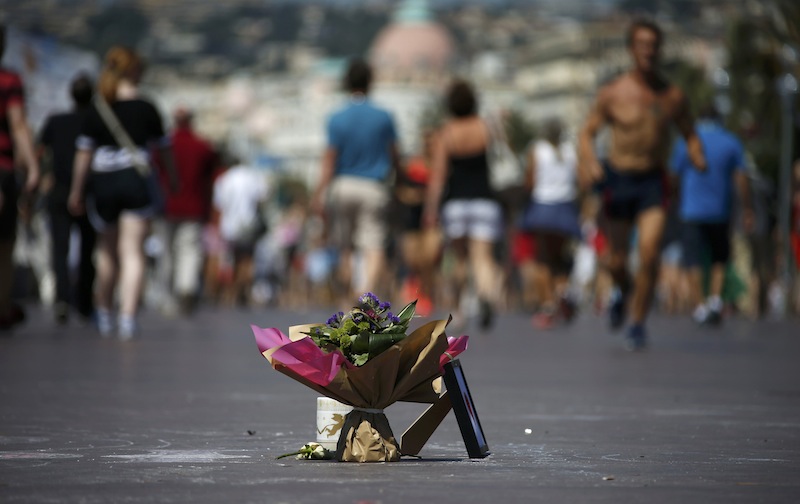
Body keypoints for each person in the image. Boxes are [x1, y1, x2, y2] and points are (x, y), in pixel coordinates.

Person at [578, 19, 706, 350]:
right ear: (632, 49)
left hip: (652, 180)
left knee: (649, 254)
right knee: (615, 262)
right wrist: (590, 161)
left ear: (660, 49)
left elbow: (689, 133)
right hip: (618, 180)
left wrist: (696, 153)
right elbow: (587, 133)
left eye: (654, 45)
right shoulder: (613, 93)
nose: (648, 51)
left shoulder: (672, 96)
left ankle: (637, 324)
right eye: (642, 44)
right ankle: (622, 292)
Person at [68, 46, 176, 340]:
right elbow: (164, 150)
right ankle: (127, 317)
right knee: (133, 252)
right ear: (133, 71)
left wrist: (76, 190)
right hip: (135, 180)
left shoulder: (98, 107)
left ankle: (103, 311)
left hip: (103, 183)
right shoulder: (147, 107)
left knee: (106, 252)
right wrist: (172, 180)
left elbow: (83, 154)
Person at [310, 58, 399, 301]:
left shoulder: (336, 118)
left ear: (346, 82)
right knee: (374, 245)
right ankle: (365, 292)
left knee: (345, 246)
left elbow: (329, 159)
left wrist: (318, 194)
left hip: (343, 185)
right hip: (374, 186)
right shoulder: (384, 117)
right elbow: (394, 154)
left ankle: (348, 293)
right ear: (371, 82)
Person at [423, 79, 503, 330]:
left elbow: (438, 175)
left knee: (459, 259)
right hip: (484, 199)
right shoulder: (485, 127)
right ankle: (487, 297)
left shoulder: (446, 133)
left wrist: (431, 208)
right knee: (483, 257)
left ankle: (458, 308)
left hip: (456, 202)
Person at [670, 104, 752, 325]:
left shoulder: (686, 141)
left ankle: (700, 306)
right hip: (720, 209)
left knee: (692, 258)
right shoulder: (731, 141)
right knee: (720, 256)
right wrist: (746, 207)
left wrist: (675, 200)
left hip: (691, 210)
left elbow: (674, 176)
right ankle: (715, 300)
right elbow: (741, 177)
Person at [37, 73, 97, 325]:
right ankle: (84, 302)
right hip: (89, 191)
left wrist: (44, 175)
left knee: (59, 249)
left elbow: (39, 150)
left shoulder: (56, 121)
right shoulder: (95, 121)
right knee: (88, 249)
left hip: (59, 190)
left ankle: (62, 299)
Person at [153, 107, 217, 315]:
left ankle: (168, 297)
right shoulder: (203, 146)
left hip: (167, 206)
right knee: (189, 249)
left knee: (167, 252)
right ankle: (186, 287)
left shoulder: (164, 146)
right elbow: (209, 180)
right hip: (194, 207)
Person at [520, 118, 581, 329]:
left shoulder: (537, 149)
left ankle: (547, 305)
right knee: (560, 256)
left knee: (543, 258)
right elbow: (579, 179)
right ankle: (563, 292)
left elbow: (530, 179)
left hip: (543, 206)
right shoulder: (570, 150)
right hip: (566, 207)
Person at [0, 25, 40, 331]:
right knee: (5, 242)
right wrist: (33, 167)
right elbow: (18, 125)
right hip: (2, 167)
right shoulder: (9, 80)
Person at [394, 130, 440, 316]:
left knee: (429, 260)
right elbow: (401, 189)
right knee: (413, 260)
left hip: (432, 221)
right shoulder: (414, 166)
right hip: (412, 219)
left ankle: (427, 296)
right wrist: (413, 196)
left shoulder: (441, 166)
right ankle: (414, 293)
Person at [212, 161, 269, 307]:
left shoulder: (225, 179)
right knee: (248, 259)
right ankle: (244, 291)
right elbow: (262, 198)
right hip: (249, 224)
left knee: (234, 260)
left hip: (230, 226)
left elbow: (219, 204)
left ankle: (233, 292)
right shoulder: (254, 177)